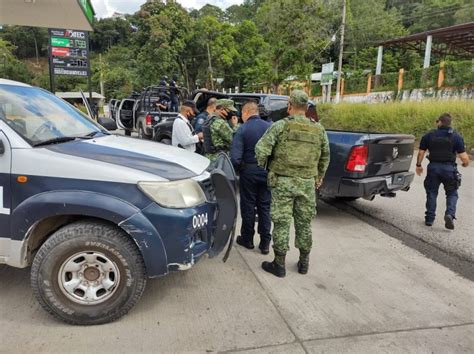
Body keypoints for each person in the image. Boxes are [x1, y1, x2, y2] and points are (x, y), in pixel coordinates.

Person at [255, 90, 330, 278]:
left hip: (283, 182)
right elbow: (325, 156)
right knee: (304, 223)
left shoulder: (280, 126)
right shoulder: (319, 129)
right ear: (306, 108)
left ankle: (279, 265)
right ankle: (304, 263)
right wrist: (319, 176)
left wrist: (266, 166)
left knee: (281, 222)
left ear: (289, 105)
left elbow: (261, 149)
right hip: (306, 183)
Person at [231, 101, 272, 254]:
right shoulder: (269, 128)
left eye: (242, 113)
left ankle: (247, 239)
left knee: (248, 206)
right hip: (267, 171)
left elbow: (235, 158)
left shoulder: (242, 130)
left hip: (248, 172)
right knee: (264, 206)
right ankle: (265, 243)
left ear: (246, 112)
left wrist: (238, 171)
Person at [416, 113, 469, 230]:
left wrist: (418, 165)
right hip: (449, 169)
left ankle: (429, 219)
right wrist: (465, 164)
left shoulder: (429, 135)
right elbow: (464, 158)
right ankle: (449, 214)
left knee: (432, 193)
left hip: (433, 168)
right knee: (452, 193)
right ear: (449, 123)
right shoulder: (456, 137)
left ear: (439, 122)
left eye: (437, 121)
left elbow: (421, 152)